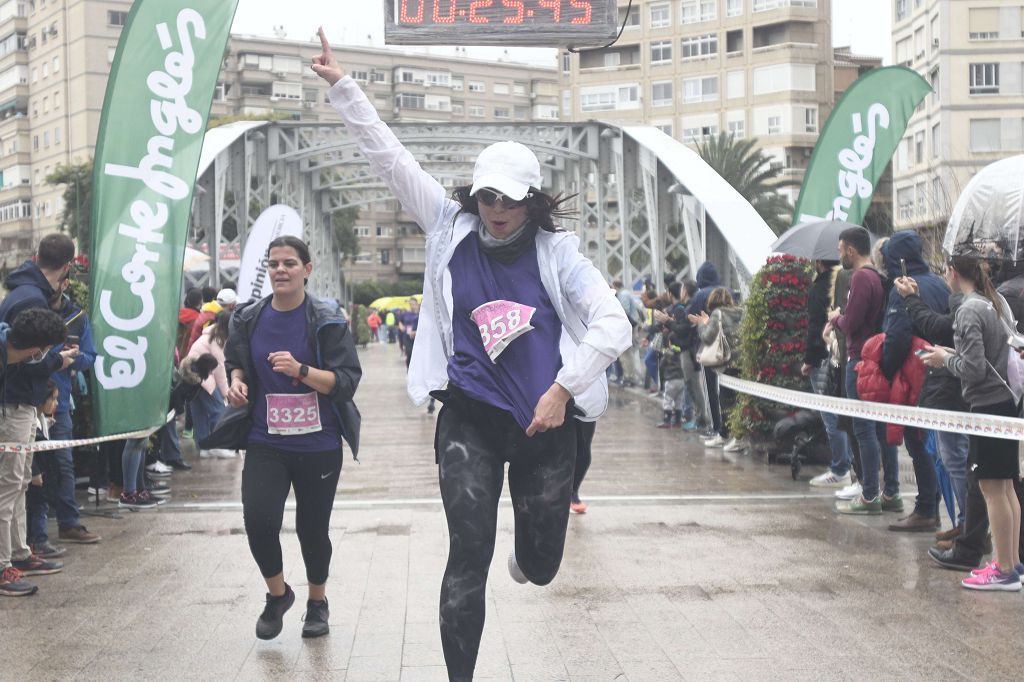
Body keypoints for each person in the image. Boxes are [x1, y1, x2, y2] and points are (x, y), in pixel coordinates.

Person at [312, 29, 630, 680]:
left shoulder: (558, 253)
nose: (497, 210)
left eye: (511, 199)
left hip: (546, 427)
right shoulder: (448, 228)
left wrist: (563, 389)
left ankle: (532, 552)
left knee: (539, 567)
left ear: (531, 200)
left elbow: (614, 324)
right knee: (467, 554)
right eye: (488, 196)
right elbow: (390, 159)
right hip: (471, 418)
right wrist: (345, 88)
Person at [220, 235, 361, 641]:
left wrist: (300, 370)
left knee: (312, 529)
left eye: (290, 263)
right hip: (267, 440)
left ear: (307, 270)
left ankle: (317, 602)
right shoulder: (248, 318)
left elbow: (346, 382)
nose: (280, 270)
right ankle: (278, 594)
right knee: (259, 519)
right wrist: (236, 383)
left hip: (318, 443)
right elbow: (236, 363)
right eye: (274, 263)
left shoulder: (326, 318)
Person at [920, 254, 1023, 591]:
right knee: (1005, 487)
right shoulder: (995, 303)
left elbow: (973, 367)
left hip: (987, 405)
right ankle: (1009, 564)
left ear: (952, 273)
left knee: (992, 488)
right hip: (1005, 402)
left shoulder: (968, 310)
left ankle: (1004, 569)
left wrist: (944, 358)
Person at [0, 235, 79, 598]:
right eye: (44, 351)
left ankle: (17, 553)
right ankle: (4, 565)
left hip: (19, 402)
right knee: (9, 486)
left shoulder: (23, 295)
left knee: (18, 483)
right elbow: (25, 360)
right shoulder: (29, 300)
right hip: (14, 404)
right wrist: (54, 363)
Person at [827, 227, 901, 516]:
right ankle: (891, 491)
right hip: (877, 359)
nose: (839, 255)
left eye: (840, 249)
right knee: (882, 429)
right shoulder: (880, 278)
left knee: (864, 429)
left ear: (850, 250)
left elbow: (853, 322)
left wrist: (837, 318)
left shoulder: (860, 277)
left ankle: (870, 495)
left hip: (859, 360)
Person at [35, 280, 101, 546]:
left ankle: (69, 523)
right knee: (32, 470)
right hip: (28, 400)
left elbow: (90, 356)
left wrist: (71, 357)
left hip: (58, 403)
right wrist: (55, 355)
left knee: (63, 464)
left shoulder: (77, 317)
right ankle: (36, 535)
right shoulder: (29, 305)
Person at [802, 259, 854, 487]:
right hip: (845, 356)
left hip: (825, 357)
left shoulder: (820, 288)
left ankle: (840, 468)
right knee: (847, 415)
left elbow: (814, 327)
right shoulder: (849, 282)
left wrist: (808, 360)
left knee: (831, 417)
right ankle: (851, 466)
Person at [690, 287, 744, 451]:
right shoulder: (741, 312)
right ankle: (736, 435)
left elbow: (707, 337)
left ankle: (726, 435)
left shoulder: (717, 313)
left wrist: (701, 324)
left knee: (726, 401)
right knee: (739, 400)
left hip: (726, 361)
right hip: (741, 360)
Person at [187, 310, 232, 459]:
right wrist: (226, 392)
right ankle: (217, 445)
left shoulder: (211, 333)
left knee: (199, 412)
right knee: (219, 410)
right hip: (202, 375)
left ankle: (204, 447)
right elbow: (219, 368)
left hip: (191, 373)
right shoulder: (217, 339)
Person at [177, 288, 203, 359]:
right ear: (201, 302)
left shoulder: (177, 313)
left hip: (174, 354)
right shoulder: (200, 319)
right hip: (189, 356)